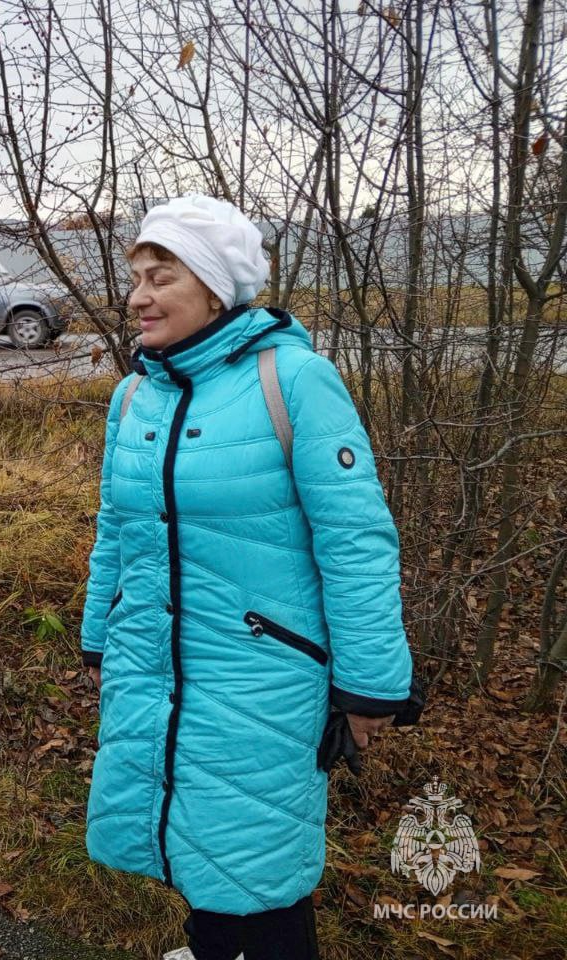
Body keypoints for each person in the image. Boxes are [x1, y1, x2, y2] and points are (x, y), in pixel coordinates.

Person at [79, 195, 415, 960]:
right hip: (152, 665)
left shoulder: (293, 379)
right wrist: (101, 634)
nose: (137, 296)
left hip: (262, 677)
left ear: (214, 285)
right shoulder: (135, 394)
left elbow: (357, 540)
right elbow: (117, 531)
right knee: (193, 851)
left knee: (257, 874)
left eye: (160, 276)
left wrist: (369, 686)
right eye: (135, 277)